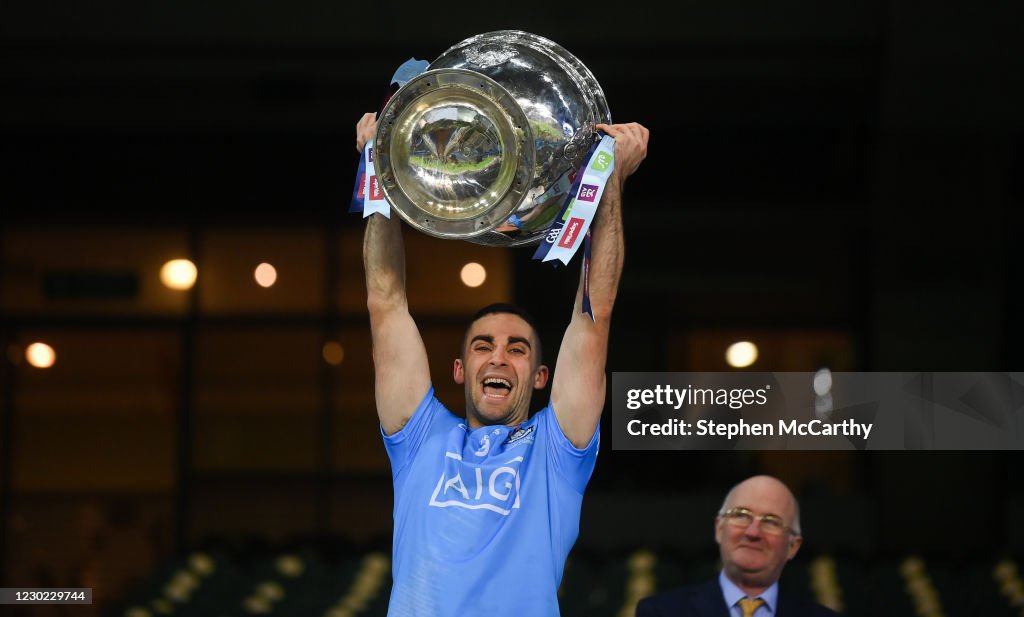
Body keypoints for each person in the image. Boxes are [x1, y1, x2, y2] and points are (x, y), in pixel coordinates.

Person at [357, 112, 649, 617]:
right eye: (482, 346)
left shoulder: (555, 453)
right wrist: (378, 165)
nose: (498, 356)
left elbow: (594, 316)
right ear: (458, 369)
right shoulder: (420, 439)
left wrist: (612, 183)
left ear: (541, 377)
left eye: (517, 349)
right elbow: (385, 302)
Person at [637, 475, 840, 617]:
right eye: (741, 515)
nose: (753, 532)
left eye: (771, 521)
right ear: (719, 529)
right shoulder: (662, 612)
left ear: (793, 546)